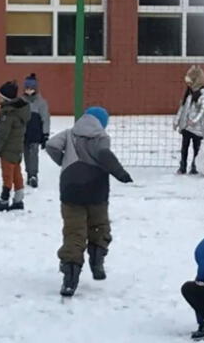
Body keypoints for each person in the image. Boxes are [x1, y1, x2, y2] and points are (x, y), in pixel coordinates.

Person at [45, 106, 133, 297]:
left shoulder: (69, 133)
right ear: (102, 122)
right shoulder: (102, 138)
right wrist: (120, 172)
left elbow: (51, 145)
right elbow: (104, 155)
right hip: (96, 190)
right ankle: (97, 261)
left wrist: (64, 161)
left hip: (70, 190)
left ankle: (70, 279)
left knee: (74, 232)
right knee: (99, 226)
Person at [0, 80, 31, 212]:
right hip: (17, 148)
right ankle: (18, 199)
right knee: (17, 173)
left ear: (5, 98)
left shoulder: (7, 113)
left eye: (0, 96)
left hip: (7, 150)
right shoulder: (20, 110)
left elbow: (3, 134)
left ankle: (4, 199)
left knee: (7, 175)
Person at [174, 65, 204, 175]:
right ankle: (182, 166)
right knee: (184, 147)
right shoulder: (188, 93)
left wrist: (194, 120)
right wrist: (177, 121)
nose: (188, 84)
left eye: (190, 81)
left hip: (196, 128)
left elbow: (203, 110)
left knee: (196, 148)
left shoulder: (203, 95)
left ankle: (195, 167)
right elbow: (182, 107)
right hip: (185, 126)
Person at [22, 73, 50, 188]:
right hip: (23, 133)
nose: (29, 91)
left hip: (35, 133)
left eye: (31, 88)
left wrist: (45, 134)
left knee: (34, 153)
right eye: (27, 88)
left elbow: (45, 119)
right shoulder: (21, 101)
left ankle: (33, 175)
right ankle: (29, 173)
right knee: (26, 154)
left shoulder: (41, 102)